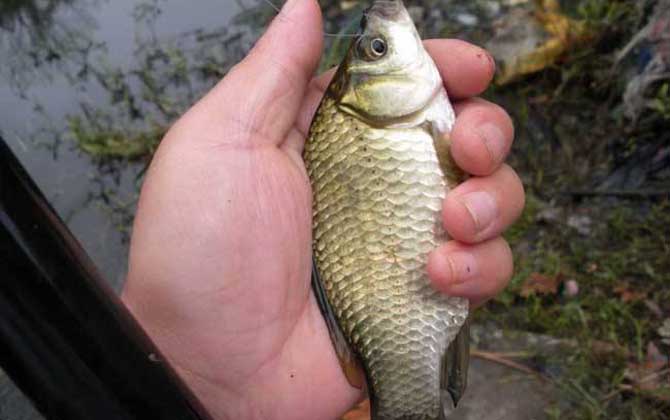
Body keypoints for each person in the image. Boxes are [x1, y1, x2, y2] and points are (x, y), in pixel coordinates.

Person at [121, 0, 525, 419]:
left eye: (376, 50)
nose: (386, 34)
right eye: (378, 50)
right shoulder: (374, 118)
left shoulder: (366, 118)